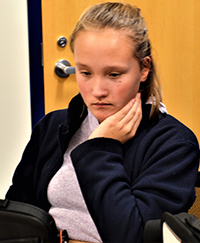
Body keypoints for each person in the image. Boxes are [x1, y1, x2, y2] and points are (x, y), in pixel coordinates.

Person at [5, 2, 199, 243]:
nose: (97, 91)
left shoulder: (174, 144)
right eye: (85, 73)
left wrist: (100, 148)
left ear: (144, 68)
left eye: (114, 74)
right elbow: (17, 219)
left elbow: (134, 237)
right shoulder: (52, 126)